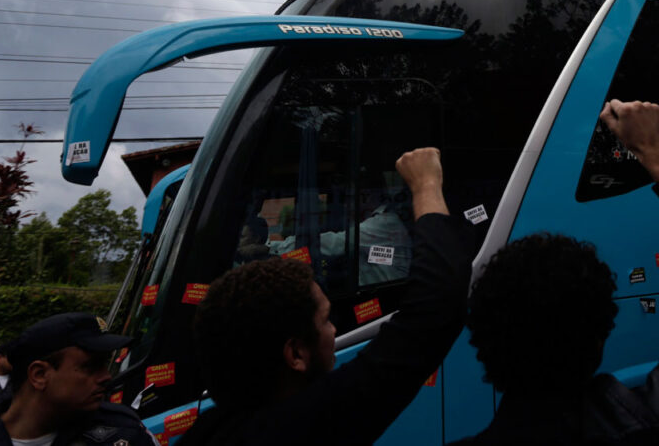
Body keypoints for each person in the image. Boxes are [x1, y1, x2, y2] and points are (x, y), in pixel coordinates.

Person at [452, 99, 659, 445]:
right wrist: (658, 154)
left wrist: (428, 193)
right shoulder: (654, 425)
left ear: (483, 347)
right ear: (599, 339)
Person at [181, 147, 478, 446]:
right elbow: (437, 306)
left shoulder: (202, 432)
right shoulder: (307, 424)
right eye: (325, 320)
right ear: (296, 354)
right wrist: (427, 184)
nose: (334, 329)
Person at [0, 312, 156, 446]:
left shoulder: (123, 432)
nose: (106, 376)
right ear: (39, 375)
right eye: (90, 366)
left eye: (105, 364)